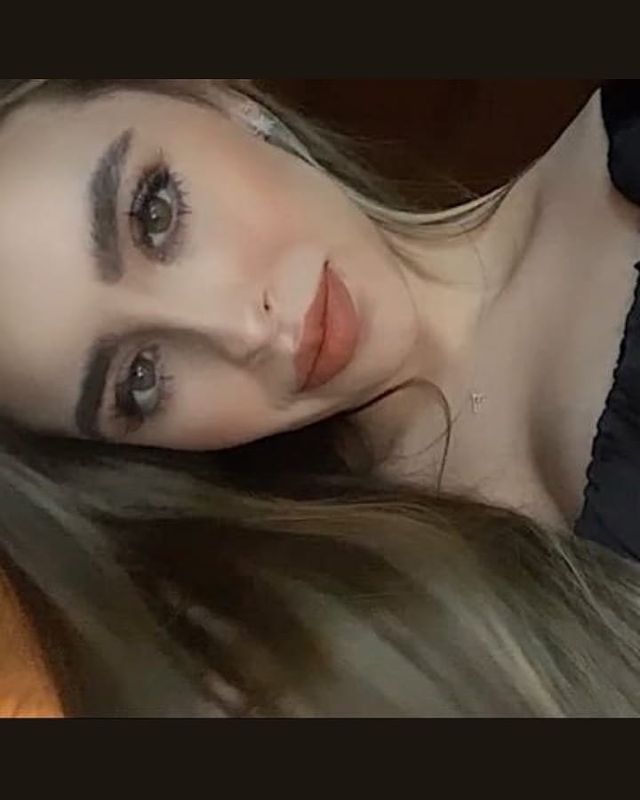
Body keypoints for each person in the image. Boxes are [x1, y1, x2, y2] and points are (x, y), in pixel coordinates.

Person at [0, 79, 639, 715]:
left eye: (155, 216)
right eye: (138, 379)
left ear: (218, 99)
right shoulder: (351, 654)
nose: (242, 333)